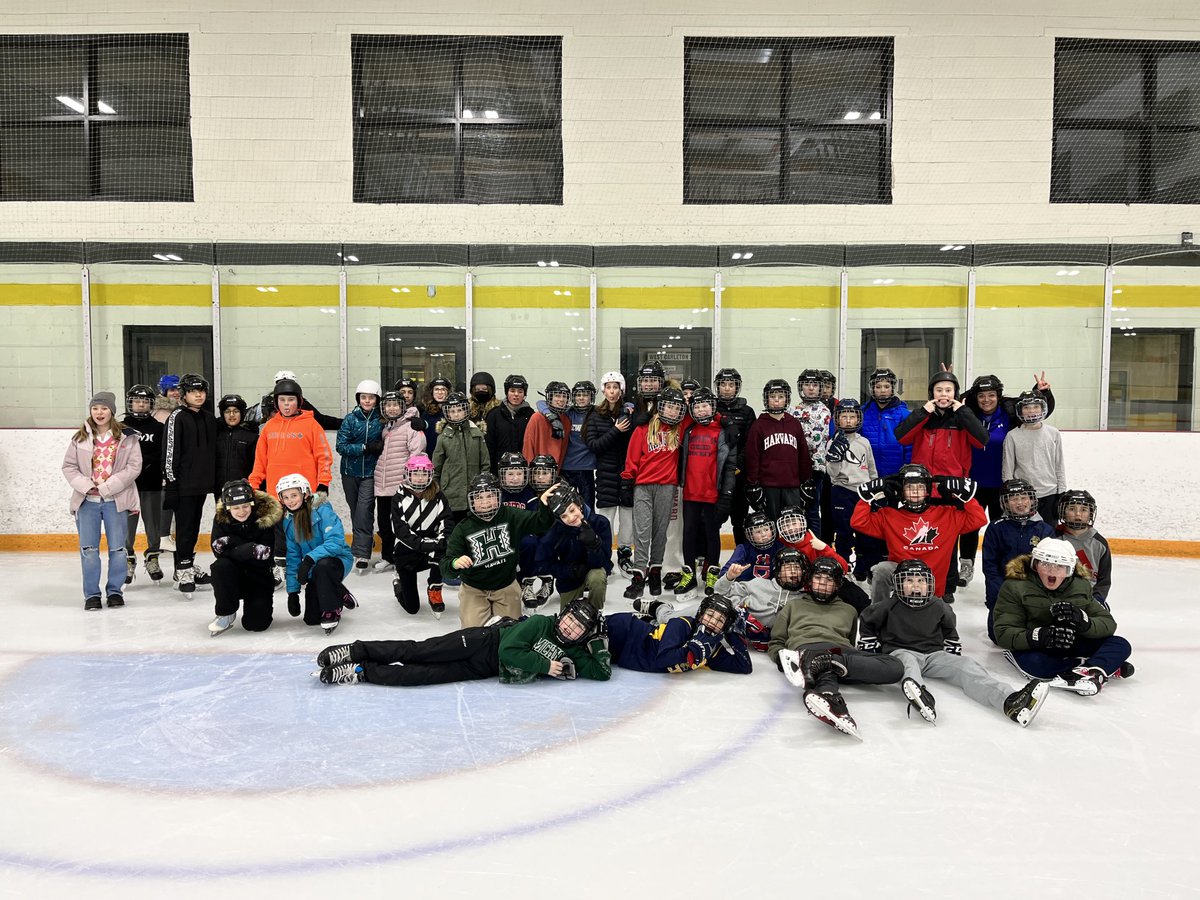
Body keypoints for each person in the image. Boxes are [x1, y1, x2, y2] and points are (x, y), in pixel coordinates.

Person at [857, 560, 1050, 727]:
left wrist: (952, 646)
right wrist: (869, 644)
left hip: (933, 656)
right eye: (909, 581)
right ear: (899, 583)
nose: (916, 586)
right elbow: (867, 619)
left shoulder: (938, 605)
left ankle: (1009, 701)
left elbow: (949, 627)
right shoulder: (888, 606)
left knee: (967, 665)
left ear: (928, 583)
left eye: (921, 581)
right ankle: (919, 693)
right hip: (900, 652)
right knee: (908, 663)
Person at [312, 599, 611, 686]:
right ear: (562, 615)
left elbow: (602, 672)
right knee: (419, 652)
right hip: (483, 642)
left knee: (421, 676)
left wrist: (598, 640)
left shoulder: (573, 650)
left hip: (483, 668)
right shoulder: (539, 623)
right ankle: (355, 650)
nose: (569, 627)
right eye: (569, 619)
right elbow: (508, 650)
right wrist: (545, 666)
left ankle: (362, 671)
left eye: (578, 628)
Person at [768, 557, 905, 741]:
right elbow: (776, 642)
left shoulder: (849, 610)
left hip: (840, 654)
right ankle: (830, 697)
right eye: (818, 578)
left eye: (828, 580)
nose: (822, 584)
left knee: (895, 667)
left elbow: (850, 642)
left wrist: (834, 660)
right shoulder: (793, 605)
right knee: (824, 667)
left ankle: (825, 666)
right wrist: (781, 659)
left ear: (838, 584)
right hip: (807, 649)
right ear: (809, 580)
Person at [992, 537, 1133, 696]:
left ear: (1070, 569)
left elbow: (1108, 624)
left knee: (1121, 644)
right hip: (1037, 648)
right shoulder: (1014, 586)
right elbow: (1003, 633)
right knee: (1036, 667)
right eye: (1045, 564)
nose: (1052, 571)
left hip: (1072, 642)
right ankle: (1099, 668)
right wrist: (1039, 636)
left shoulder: (1080, 585)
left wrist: (1083, 621)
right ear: (1035, 564)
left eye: (1060, 566)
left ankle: (1085, 672)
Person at [959, 372, 1056, 587]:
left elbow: (1035, 410)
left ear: (999, 396)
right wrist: (950, 381)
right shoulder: (968, 413)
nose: (986, 400)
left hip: (1001, 485)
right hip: (972, 483)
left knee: (1001, 530)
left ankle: (1004, 568)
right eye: (981, 395)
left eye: (991, 395)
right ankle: (966, 565)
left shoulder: (1010, 413)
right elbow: (952, 404)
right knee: (969, 527)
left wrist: (1043, 392)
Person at [851, 463, 988, 605]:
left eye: (920, 487)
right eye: (910, 487)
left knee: (946, 617)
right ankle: (879, 611)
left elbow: (979, 520)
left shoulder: (947, 515)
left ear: (927, 490)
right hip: (902, 584)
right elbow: (859, 522)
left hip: (933, 592)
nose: (915, 492)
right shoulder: (889, 516)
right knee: (881, 570)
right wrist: (867, 498)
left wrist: (967, 498)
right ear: (902, 491)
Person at [442, 475, 561, 627]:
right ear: (471, 500)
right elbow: (445, 566)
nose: (485, 502)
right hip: (474, 588)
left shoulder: (511, 515)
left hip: (506, 585)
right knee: (472, 633)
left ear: (499, 496)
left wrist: (544, 505)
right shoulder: (462, 528)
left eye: (490, 496)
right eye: (479, 497)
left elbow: (541, 523)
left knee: (511, 632)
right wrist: (454, 563)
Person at [62, 392, 143, 610]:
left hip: (115, 500)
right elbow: (69, 466)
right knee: (89, 550)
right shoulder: (80, 437)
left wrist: (109, 487)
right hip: (87, 501)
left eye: (104, 408)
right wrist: (86, 486)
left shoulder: (127, 436)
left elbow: (134, 467)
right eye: (95, 408)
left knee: (118, 549)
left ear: (112, 411)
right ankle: (92, 595)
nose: (99, 413)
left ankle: (115, 592)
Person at [248, 376, 333, 580]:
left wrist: (323, 483)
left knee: (304, 531)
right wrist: (254, 484)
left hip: (303, 492)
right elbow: (260, 461)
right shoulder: (269, 428)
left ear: (299, 402)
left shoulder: (311, 425)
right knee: (279, 533)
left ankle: (306, 565)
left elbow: (324, 456)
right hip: (276, 492)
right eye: (282, 400)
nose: (287, 405)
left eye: (291, 400)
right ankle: (281, 567)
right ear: (276, 403)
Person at [621, 386, 687, 600]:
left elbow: (702, 415)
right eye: (669, 406)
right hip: (643, 486)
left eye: (677, 408)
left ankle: (656, 569)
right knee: (642, 531)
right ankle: (639, 574)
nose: (673, 411)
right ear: (660, 406)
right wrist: (627, 480)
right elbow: (632, 457)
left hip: (667, 487)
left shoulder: (680, 429)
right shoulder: (643, 428)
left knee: (660, 531)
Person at [673, 387, 736, 597]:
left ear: (713, 406)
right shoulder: (689, 430)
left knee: (711, 534)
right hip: (690, 492)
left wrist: (726, 494)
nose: (701, 410)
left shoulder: (722, 431)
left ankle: (711, 573)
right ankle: (689, 574)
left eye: (705, 405)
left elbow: (729, 466)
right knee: (689, 533)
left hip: (712, 494)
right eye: (697, 406)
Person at [278, 473, 356, 635]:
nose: (290, 501)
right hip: (314, 567)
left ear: (305, 493)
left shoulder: (323, 510)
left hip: (337, 560)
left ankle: (332, 610)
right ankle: (339, 590)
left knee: (324, 565)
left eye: (294, 495)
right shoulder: (288, 521)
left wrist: (308, 559)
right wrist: (293, 592)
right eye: (285, 497)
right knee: (311, 619)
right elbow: (293, 556)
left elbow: (335, 543)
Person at [163, 373, 218, 594]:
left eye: (201, 391)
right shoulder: (177, 417)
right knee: (185, 529)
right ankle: (183, 569)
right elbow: (169, 453)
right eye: (193, 391)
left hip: (201, 485)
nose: (198, 395)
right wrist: (171, 484)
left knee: (193, 528)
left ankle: (185, 565)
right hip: (182, 485)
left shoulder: (209, 418)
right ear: (184, 394)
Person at [981, 479, 1056, 640]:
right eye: (1014, 499)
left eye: (1024, 498)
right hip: (1004, 591)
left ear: (1032, 500)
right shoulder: (996, 528)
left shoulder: (1045, 530)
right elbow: (990, 567)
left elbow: (1049, 568)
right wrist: (999, 595)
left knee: (1036, 635)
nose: (1020, 503)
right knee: (999, 637)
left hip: (1034, 593)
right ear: (1005, 503)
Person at [208, 479, 283, 636]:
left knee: (256, 625)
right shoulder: (221, 518)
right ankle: (226, 613)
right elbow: (218, 551)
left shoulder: (266, 518)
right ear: (228, 508)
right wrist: (250, 549)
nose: (241, 511)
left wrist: (231, 543)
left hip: (259, 575)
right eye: (236, 508)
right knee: (221, 566)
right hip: (233, 576)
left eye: (245, 506)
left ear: (252, 504)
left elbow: (266, 554)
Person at [607, 595, 752, 674]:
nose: (712, 622)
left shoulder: (712, 648)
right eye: (709, 615)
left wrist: (734, 633)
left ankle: (648, 620)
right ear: (700, 614)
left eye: (720, 621)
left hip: (623, 655)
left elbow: (744, 666)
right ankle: (653, 612)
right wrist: (692, 650)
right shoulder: (683, 624)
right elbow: (663, 659)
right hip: (624, 631)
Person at [857, 367, 909, 580]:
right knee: (869, 523)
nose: (882, 390)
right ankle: (867, 564)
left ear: (893, 388)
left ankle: (890, 566)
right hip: (868, 478)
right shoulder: (862, 412)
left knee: (890, 524)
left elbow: (909, 445)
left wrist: (905, 472)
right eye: (878, 386)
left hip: (893, 478)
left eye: (886, 386)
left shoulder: (903, 414)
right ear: (872, 388)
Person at [372, 389, 428, 572]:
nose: (392, 408)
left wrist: (409, 480)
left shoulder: (411, 426)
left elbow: (417, 453)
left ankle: (403, 558)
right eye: (388, 405)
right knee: (384, 524)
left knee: (402, 524)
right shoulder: (386, 428)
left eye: (395, 404)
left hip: (401, 486)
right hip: (383, 486)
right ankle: (388, 557)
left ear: (403, 406)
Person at [585, 371, 636, 574]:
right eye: (608, 387)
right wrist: (615, 430)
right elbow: (594, 445)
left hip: (627, 475)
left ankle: (625, 557)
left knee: (627, 519)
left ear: (621, 390)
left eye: (615, 387)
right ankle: (605, 558)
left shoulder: (629, 413)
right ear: (603, 390)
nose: (612, 391)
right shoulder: (596, 415)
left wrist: (628, 419)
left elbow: (634, 443)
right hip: (605, 476)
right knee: (605, 520)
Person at [714, 547, 811, 651]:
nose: (793, 572)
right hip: (739, 642)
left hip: (779, 648)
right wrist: (729, 577)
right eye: (787, 568)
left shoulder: (805, 599)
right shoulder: (758, 584)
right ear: (778, 571)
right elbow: (719, 592)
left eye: (797, 568)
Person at [390, 454, 451, 619]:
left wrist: (440, 542)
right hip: (406, 553)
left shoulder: (438, 497)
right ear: (408, 474)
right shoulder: (398, 498)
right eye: (415, 473)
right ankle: (398, 583)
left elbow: (447, 524)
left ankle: (435, 589)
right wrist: (425, 545)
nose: (419, 477)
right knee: (412, 608)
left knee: (444, 552)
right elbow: (400, 531)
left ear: (430, 475)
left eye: (424, 474)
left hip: (430, 551)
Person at [534, 483, 613, 609]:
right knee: (568, 618)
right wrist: (569, 571)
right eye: (564, 516)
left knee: (597, 578)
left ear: (579, 504)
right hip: (569, 578)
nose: (571, 518)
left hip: (594, 569)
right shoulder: (555, 532)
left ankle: (595, 613)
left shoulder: (600, 523)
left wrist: (593, 544)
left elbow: (605, 562)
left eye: (572, 510)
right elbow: (543, 563)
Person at [744, 378, 813, 521]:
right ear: (766, 399)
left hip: (792, 486)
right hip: (768, 487)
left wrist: (806, 480)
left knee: (793, 527)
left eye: (781, 396)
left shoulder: (794, 424)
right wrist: (753, 484)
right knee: (771, 525)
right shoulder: (758, 426)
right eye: (772, 396)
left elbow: (803, 455)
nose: (776, 400)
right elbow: (752, 457)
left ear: (787, 399)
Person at [335, 379, 385, 573]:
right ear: (358, 399)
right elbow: (341, 446)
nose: (367, 401)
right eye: (363, 397)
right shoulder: (350, 419)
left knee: (364, 510)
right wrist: (365, 447)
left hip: (370, 473)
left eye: (371, 398)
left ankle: (362, 553)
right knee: (355, 510)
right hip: (350, 472)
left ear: (377, 399)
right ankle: (365, 541)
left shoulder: (381, 421)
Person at [825, 397, 878, 575]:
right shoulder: (832, 443)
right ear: (837, 419)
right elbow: (832, 474)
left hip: (863, 494)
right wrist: (834, 458)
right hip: (841, 492)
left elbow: (871, 469)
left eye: (852, 416)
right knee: (843, 533)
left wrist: (875, 491)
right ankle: (843, 568)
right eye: (844, 416)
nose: (848, 420)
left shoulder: (864, 442)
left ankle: (862, 570)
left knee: (864, 533)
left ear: (858, 418)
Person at [120, 384, 165, 585]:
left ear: (151, 404)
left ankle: (153, 557)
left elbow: (162, 454)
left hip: (152, 485)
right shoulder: (120, 428)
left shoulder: (159, 428)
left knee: (154, 525)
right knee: (126, 527)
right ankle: (127, 559)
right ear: (130, 403)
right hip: (126, 487)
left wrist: (149, 464)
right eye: (136, 401)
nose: (140, 404)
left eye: (145, 401)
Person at [1002, 390, 1066, 525]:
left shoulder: (1053, 433)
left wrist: (1061, 492)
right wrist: (1010, 493)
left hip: (1050, 493)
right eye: (1026, 407)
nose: (1031, 411)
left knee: (1049, 533)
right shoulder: (1012, 435)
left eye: (1036, 406)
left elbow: (1059, 465)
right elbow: (1008, 468)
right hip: (1023, 495)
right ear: (1020, 410)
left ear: (1043, 409)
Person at [432, 391, 490, 528]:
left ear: (466, 410)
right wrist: (437, 489)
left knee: (473, 530)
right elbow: (436, 468)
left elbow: (485, 464)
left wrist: (482, 487)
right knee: (452, 530)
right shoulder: (443, 437)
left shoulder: (477, 434)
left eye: (459, 410)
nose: (456, 414)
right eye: (452, 411)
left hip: (473, 494)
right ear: (447, 413)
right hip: (450, 494)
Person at [713, 367, 756, 547]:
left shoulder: (747, 412)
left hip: (739, 474)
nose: (727, 388)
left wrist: (738, 464)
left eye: (731, 385)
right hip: (716, 473)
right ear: (717, 387)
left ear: (737, 387)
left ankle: (742, 554)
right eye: (723, 384)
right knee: (713, 520)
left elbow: (750, 443)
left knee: (740, 520)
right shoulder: (711, 408)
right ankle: (709, 557)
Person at [790, 368, 832, 534]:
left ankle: (815, 546)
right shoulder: (793, 410)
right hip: (796, 468)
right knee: (796, 510)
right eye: (807, 384)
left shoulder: (825, 411)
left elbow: (817, 442)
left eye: (815, 384)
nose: (811, 388)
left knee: (812, 510)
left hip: (815, 468)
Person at [1054, 489, 1111, 607]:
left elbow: (1103, 581)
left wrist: (1097, 600)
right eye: (1072, 509)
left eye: (1084, 510)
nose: (1078, 514)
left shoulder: (1100, 544)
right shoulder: (1053, 540)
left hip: (1089, 598)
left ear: (1091, 513)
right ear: (1063, 512)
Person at [245, 369, 342, 430]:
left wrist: (345, 423)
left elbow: (321, 421)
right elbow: (246, 417)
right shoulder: (267, 404)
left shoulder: (301, 403)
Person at [560, 380, 599, 509]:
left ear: (591, 396)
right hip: (567, 467)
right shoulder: (567, 413)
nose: (581, 398)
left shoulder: (598, 412)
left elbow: (616, 407)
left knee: (587, 507)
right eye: (578, 394)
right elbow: (542, 404)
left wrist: (627, 405)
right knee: (565, 507)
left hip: (586, 468)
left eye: (585, 394)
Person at [153, 374, 181, 550]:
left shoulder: (180, 410)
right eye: (172, 390)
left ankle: (165, 536)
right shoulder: (162, 413)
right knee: (166, 498)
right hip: (165, 463)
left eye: (178, 389)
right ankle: (163, 536)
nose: (176, 392)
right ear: (164, 392)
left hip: (177, 463)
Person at [214, 394, 259, 501]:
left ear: (242, 413)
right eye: (227, 411)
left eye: (236, 411)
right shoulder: (215, 435)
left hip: (244, 489)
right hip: (219, 490)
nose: (232, 415)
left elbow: (257, 465)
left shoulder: (251, 437)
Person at [485, 374, 533, 471]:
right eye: (512, 391)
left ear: (524, 394)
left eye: (520, 391)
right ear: (507, 392)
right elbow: (489, 446)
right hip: (498, 469)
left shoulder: (531, 415)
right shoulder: (494, 415)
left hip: (523, 470)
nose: (516, 394)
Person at [522, 380, 571, 468]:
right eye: (557, 396)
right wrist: (529, 469)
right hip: (536, 471)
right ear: (550, 398)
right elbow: (528, 446)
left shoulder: (566, 420)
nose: (561, 400)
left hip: (554, 471)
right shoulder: (536, 418)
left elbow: (563, 450)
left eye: (564, 396)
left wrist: (557, 471)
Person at [420, 377, 451, 457]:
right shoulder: (426, 413)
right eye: (436, 389)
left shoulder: (453, 411)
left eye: (443, 389)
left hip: (449, 455)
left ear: (448, 392)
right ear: (432, 392)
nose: (440, 392)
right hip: (431, 455)